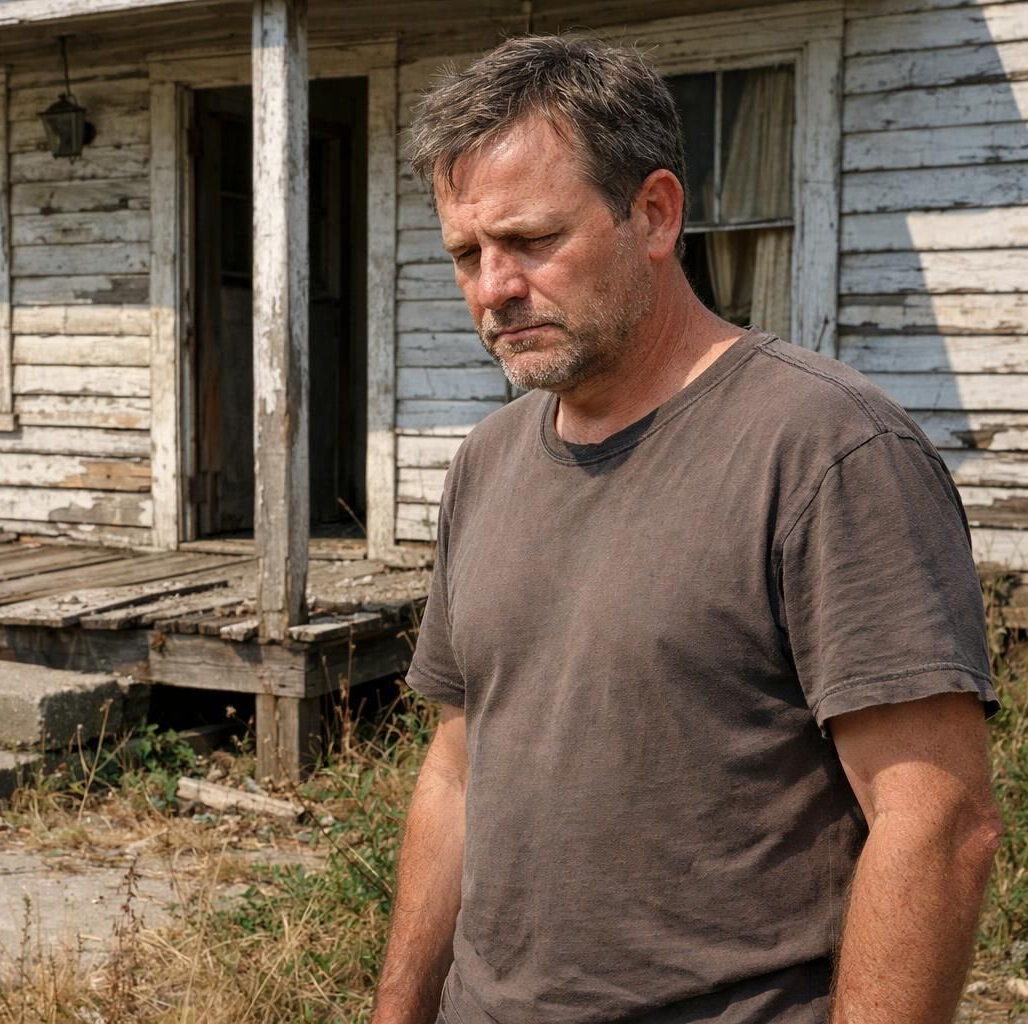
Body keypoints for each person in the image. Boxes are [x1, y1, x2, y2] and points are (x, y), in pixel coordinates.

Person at [371, 34, 1002, 1024]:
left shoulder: (825, 449)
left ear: (654, 214)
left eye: (532, 241)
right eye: (467, 253)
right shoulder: (485, 463)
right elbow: (456, 771)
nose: (493, 288)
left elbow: (938, 822)